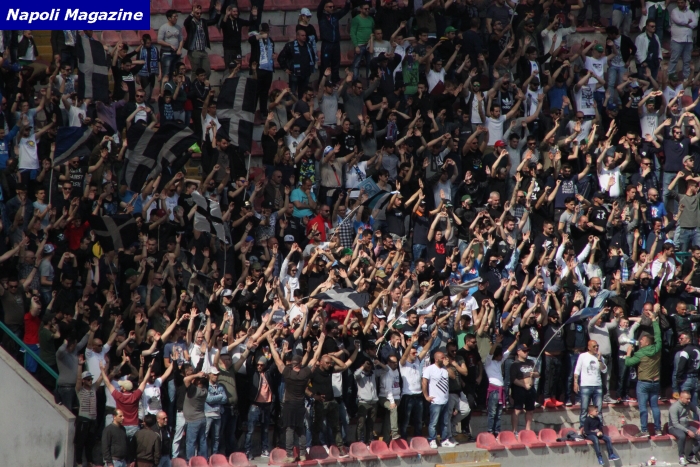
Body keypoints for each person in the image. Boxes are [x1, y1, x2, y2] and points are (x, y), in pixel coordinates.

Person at [625, 307, 662, 437]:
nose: (640, 341)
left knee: (643, 408)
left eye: (642, 340)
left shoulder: (640, 353)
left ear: (647, 342)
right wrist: (654, 321)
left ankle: (644, 430)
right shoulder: (657, 348)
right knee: (655, 407)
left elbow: (628, 363)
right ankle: (658, 429)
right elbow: (658, 336)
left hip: (643, 383)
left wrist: (628, 354)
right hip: (655, 382)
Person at [423, 351, 451, 449]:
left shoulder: (445, 369)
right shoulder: (429, 369)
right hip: (435, 401)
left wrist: (447, 366)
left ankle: (444, 440)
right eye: (442, 358)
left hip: (445, 400)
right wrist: (426, 396)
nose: (444, 359)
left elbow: (453, 376)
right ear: (436, 359)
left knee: (445, 422)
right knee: (433, 423)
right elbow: (424, 382)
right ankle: (432, 439)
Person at [668, 391, 700, 465]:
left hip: (686, 426)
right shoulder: (674, 407)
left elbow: (698, 411)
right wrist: (687, 431)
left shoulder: (688, 404)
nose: (689, 400)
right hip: (674, 427)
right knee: (682, 436)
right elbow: (675, 423)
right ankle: (681, 457)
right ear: (681, 398)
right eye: (687, 399)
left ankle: (691, 455)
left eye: (689, 398)